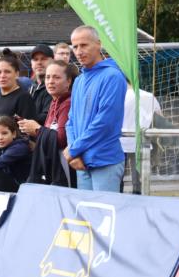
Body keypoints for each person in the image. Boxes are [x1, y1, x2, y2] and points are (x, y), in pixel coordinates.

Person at [64, 25, 127, 192]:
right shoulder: (79, 80)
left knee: (105, 216)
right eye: (75, 46)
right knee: (86, 217)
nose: (78, 51)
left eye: (84, 45)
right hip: (81, 161)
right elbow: (71, 121)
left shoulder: (112, 77)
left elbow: (105, 122)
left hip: (105, 161)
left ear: (98, 44)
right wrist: (75, 153)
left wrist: (74, 149)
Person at [24, 59, 78, 187]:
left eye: (56, 77)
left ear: (68, 81)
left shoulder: (67, 103)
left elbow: (61, 139)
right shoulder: (55, 102)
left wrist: (37, 130)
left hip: (66, 169)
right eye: (47, 77)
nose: (50, 81)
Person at [122, 85, 163, 194]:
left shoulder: (117, 95)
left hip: (119, 141)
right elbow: (159, 117)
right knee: (138, 181)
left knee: (117, 179)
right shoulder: (149, 96)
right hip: (141, 140)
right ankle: (138, 197)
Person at [28, 44, 54, 124]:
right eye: (35, 59)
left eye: (43, 59)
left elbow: (48, 116)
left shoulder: (56, 87)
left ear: (53, 61)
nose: (39, 62)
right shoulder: (31, 88)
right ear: (31, 63)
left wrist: (24, 119)